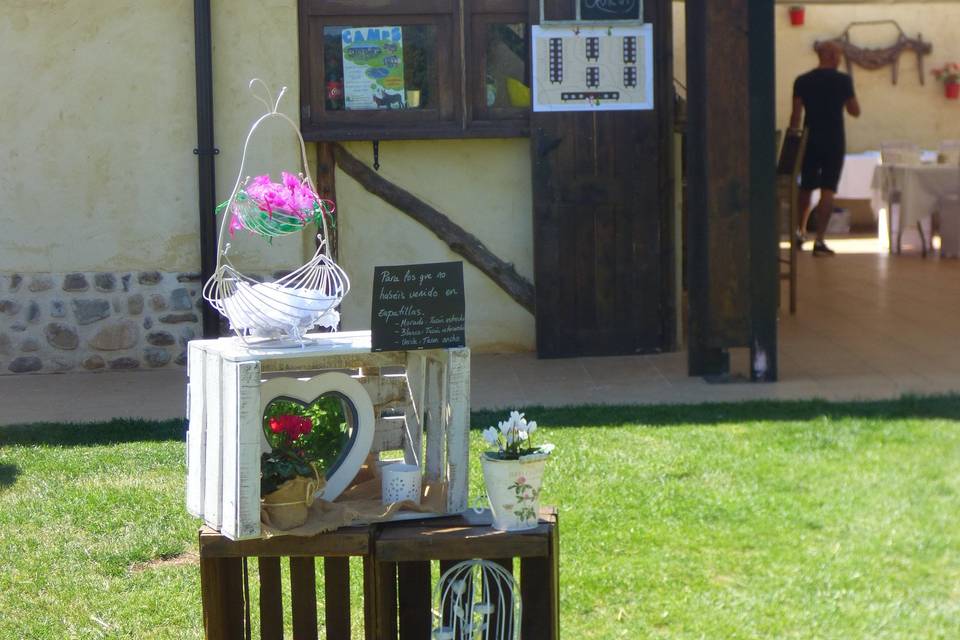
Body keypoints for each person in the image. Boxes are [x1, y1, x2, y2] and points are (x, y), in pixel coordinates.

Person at [789, 41, 861, 256]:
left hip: (810, 139)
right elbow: (855, 110)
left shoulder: (802, 81)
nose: (840, 59)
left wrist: (794, 140)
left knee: (806, 187)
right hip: (834, 140)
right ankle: (819, 240)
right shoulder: (843, 81)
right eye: (838, 54)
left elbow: (795, 116)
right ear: (830, 56)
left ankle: (799, 231)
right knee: (828, 189)